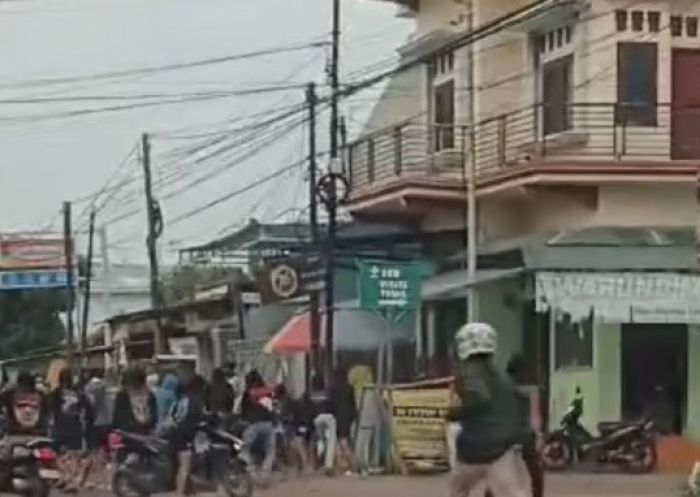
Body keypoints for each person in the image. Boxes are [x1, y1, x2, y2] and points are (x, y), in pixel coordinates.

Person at [448, 323, 530, 497]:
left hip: (473, 452)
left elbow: (479, 397)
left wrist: (454, 413)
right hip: (502, 450)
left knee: (458, 489)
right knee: (514, 492)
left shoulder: (468, 374)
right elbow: (521, 401)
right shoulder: (504, 379)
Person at [484, 354, 544, 497]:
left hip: (506, 434)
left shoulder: (501, 387)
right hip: (519, 434)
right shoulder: (528, 390)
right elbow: (535, 417)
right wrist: (538, 434)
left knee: (499, 473)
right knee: (534, 471)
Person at [49, 368, 93, 493]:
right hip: (75, 428)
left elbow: (49, 408)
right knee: (73, 455)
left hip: (59, 428)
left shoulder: (56, 393)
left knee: (56, 454)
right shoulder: (79, 393)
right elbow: (90, 409)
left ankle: (64, 476)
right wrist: (87, 421)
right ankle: (71, 481)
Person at [240, 370, 276, 481]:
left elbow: (242, 411)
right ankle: (265, 476)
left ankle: (253, 475)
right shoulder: (268, 392)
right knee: (270, 451)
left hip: (252, 425)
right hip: (268, 424)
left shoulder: (248, 393)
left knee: (245, 450)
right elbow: (272, 408)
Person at [328, 369, 358, 474]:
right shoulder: (349, 388)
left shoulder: (333, 390)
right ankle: (351, 464)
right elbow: (353, 404)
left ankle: (353, 465)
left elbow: (330, 405)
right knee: (345, 442)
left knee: (342, 442)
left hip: (338, 417)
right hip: (348, 417)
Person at [0, 370, 48, 436]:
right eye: (22, 405)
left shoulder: (41, 395)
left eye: (33, 406)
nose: (27, 410)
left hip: (36, 432)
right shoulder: (9, 394)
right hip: (14, 432)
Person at [113, 366, 157, 435]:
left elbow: (117, 419)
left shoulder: (150, 395)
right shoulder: (123, 395)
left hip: (141, 435)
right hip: (131, 436)